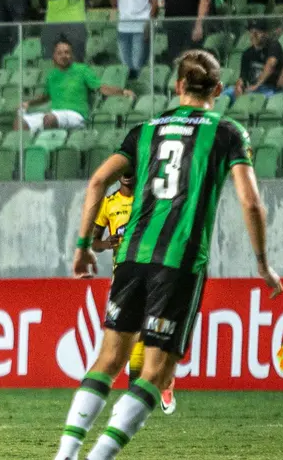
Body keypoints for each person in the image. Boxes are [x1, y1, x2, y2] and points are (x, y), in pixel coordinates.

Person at [55, 50, 283, 460]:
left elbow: (96, 181)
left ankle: (66, 454)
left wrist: (83, 246)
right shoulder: (227, 132)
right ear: (217, 89)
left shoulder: (145, 130)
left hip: (131, 257)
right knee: (155, 372)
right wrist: (263, 262)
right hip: (178, 262)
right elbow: (250, 202)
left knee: (107, 359)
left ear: (178, 86)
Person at [92, 174, 177, 414]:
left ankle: (156, 388)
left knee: (149, 332)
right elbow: (94, 242)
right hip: (122, 276)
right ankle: (156, 386)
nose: (127, 173)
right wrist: (108, 243)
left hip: (150, 272)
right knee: (130, 338)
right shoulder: (108, 204)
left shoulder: (147, 199)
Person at [20, 39, 134, 132]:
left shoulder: (82, 70)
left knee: (49, 118)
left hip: (76, 115)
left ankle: (52, 147)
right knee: (21, 122)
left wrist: (122, 92)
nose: (64, 56)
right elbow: (45, 97)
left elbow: (101, 88)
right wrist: (28, 103)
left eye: (67, 52)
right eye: (59, 53)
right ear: (54, 56)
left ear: (72, 55)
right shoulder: (51, 75)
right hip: (55, 114)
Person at [226, 20, 283, 100]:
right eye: (251, 32)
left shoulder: (274, 46)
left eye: (258, 32)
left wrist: (256, 85)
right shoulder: (247, 53)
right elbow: (242, 76)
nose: (254, 35)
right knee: (226, 93)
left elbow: (271, 63)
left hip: (270, 88)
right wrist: (238, 86)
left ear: (266, 34)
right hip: (251, 88)